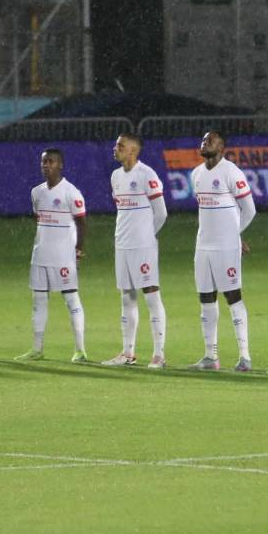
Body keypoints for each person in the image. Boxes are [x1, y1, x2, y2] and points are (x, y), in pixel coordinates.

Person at [188, 131, 256, 372]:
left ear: (222, 148)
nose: (204, 142)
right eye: (203, 139)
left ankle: (245, 357)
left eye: (209, 140)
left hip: (226, 247)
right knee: (206, 298)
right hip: (203, 246)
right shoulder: (196, 174)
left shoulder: (231, 172)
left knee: (233, 296)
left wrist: (233, 234)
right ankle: (210, 356)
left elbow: (249, 210)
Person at [102, 133, 169, 368]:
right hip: (122, 244)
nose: (115, 148)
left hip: (143, 246)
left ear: (132, 150)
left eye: (120, 145)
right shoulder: (115, 176)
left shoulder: (146, 175)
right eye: (116, 144)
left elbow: (161, 213)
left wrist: (148, 237)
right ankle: (127, 353)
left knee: (151, 295)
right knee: (127, 297)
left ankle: (159, 355)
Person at [17, 148, 89, 363]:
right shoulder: (36, 192)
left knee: (71, 300)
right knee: (39, 301)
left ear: (60, 165)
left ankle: (80, 350)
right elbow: (37, 218)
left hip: (63, 257)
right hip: (40, 255)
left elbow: (82, 223)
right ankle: (37, 349)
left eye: (50, 161)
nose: (46, 165)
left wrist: (78, 249)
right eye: (43, 162)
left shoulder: (71, 192)